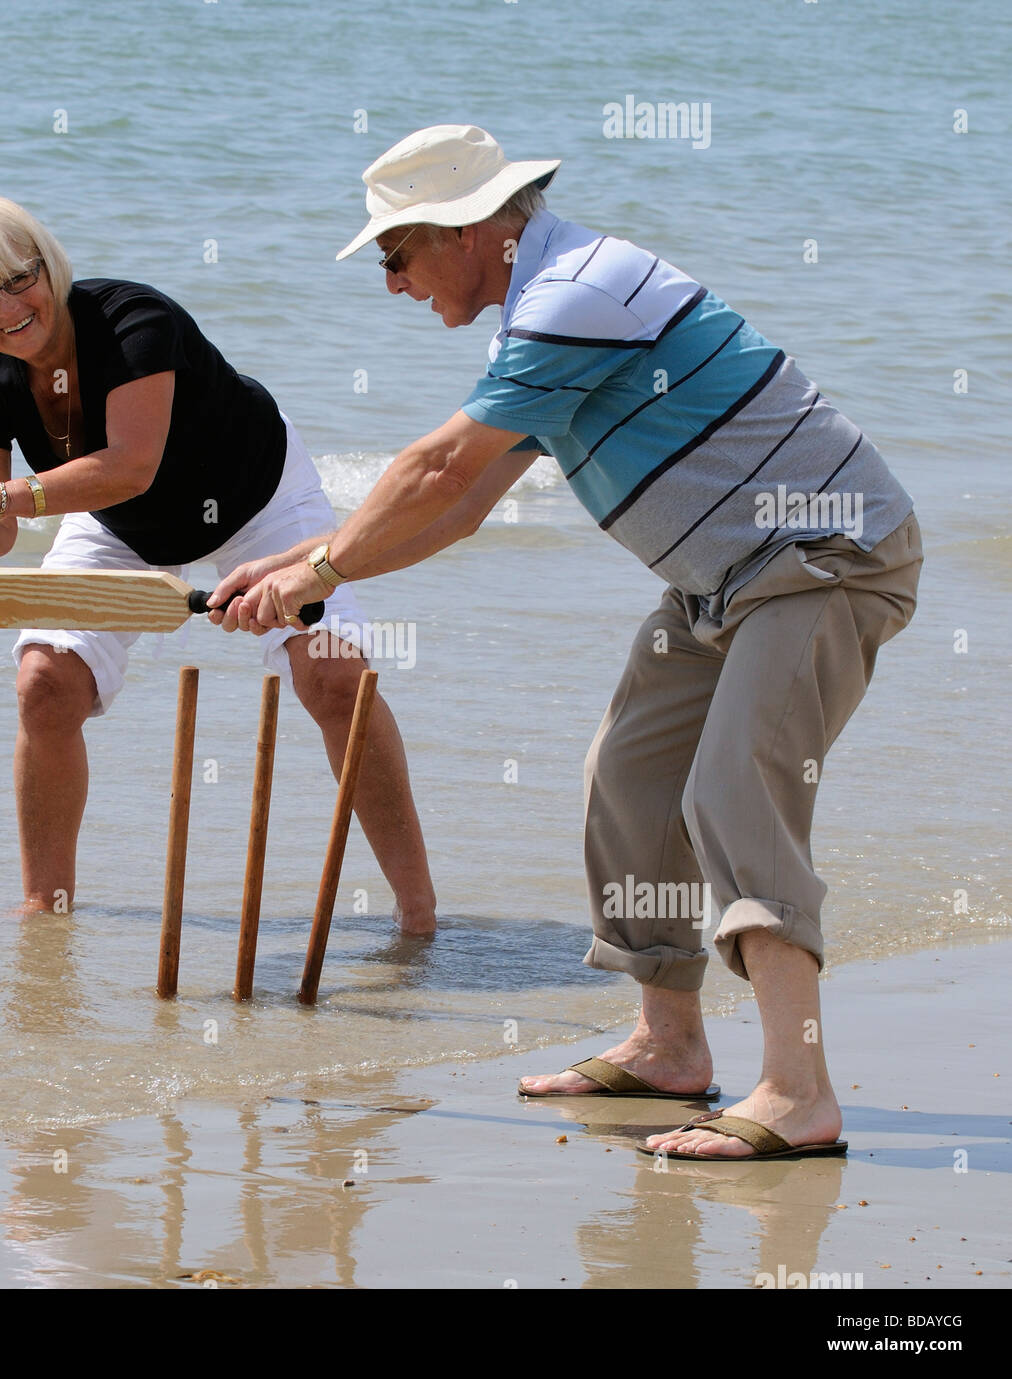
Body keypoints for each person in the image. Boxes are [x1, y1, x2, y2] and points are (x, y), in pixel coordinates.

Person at [211, 126, 923, 1159]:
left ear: (466, 232)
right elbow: (456, 510)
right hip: (724, 575)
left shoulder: (577, 295)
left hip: (823, 554)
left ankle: (798, 1092)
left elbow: (437, 469)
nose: (393, 283)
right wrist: (295, 564)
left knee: (735, 793)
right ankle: (670, 1047)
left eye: (394, 255)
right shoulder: (540, 318)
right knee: (626, 781)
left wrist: (313, 576)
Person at [0, 193, 437, 934]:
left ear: (47, 264)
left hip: (259, 497)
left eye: (18, 278)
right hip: (118, 527)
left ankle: (418, 913)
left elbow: (131, 466)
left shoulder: (130, 319)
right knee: (44, 684)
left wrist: (7, 496)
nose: (7, 307)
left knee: (334, 675)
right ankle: (43, 916)